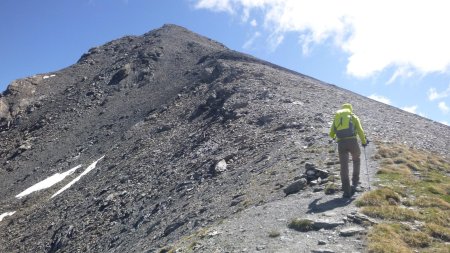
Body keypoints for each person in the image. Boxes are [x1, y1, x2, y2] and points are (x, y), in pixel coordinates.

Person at [329, 103, 367, 198]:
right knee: (356, 160)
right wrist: (364, 141)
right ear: (350, 109)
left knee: (344, 166)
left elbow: (331, 133)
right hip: (352, 141)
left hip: (341, 143)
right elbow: (360, 130)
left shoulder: (337, 117)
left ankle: (346, 190)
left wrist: (335, 137)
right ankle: (355, 182)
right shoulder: (353, 116)